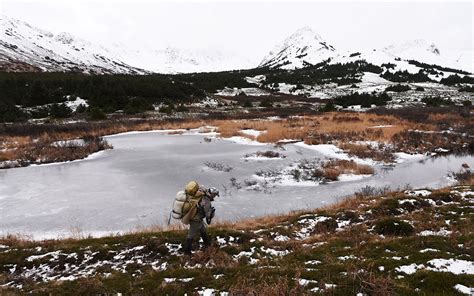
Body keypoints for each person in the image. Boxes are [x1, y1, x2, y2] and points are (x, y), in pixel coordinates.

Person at [182, 183, 219, 255]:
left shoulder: (202, 195)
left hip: (197, 218)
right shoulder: (207, 201)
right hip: (195, 219)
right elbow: (208, 214)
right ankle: (187, 252)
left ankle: (207, 245)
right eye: (214, 195)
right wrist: (212, 212)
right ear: (212, 194)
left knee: (203, 230)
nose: (214, 197)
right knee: (191, 235)